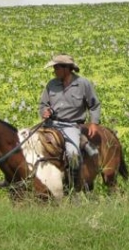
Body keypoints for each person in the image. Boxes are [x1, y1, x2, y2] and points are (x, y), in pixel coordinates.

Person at [38, 54, 101, 188]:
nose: (54, 71)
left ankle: (75, 187)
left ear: (66, 68)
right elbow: (43, 105)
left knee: (72, 153)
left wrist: (94, 123)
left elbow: (94, 105)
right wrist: (45, 112)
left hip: (71, 126)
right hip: (51, 124)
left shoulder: (83, 84)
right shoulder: (51, 84)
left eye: (56, 67)